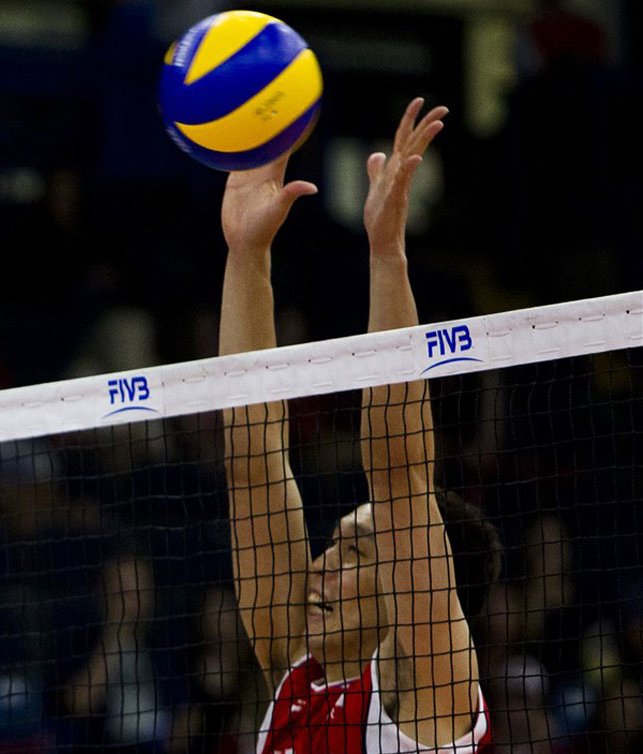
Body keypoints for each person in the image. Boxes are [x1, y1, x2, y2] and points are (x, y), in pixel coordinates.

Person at [217, 98, 502, 753]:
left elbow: (401, 473)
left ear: (416, 583)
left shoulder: (432, 694)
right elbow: (251, 456)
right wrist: (246, 253)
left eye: (355, 554)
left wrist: (386, 255)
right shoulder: (297, 677)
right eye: (338, 544)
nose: (319, 564)